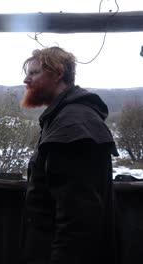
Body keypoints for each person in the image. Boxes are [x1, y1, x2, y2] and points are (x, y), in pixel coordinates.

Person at [20, 47, 120, 264]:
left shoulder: (73, 125)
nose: (26, 80)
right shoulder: (66, 117)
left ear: (57, 74)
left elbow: (79, 220)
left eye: (34, 73)